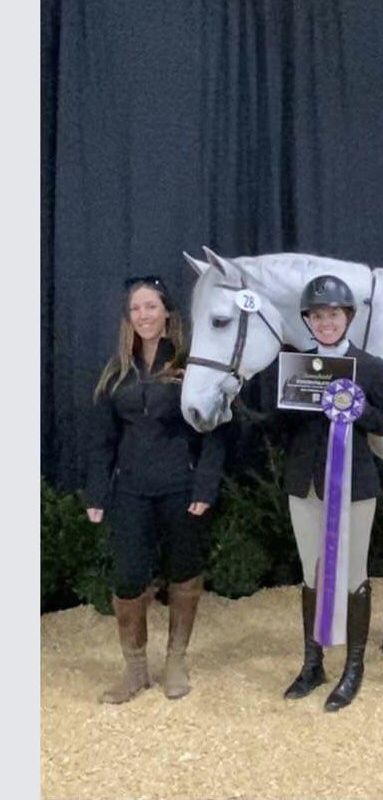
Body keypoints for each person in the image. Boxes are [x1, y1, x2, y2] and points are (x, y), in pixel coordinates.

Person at [85, 275, 229, 704]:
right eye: (136, 309)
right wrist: (96, 492)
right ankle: (135, 670)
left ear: (167, 312)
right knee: (128, 578)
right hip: (129, 490)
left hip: (181, 489)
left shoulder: (191, 366)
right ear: (128, 318)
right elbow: (101, 440)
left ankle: (176, 661)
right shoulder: (116, 372)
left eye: (151, 306)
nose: (144, 315)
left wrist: (205, 483)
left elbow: (214, 434)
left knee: (184, 572)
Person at [279, 274, 383, 712]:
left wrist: (355, 405)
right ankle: (313, 663)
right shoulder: (296, 366)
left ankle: (353, 666)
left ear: (347, 317)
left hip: (354, 486)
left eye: (333, 314)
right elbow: (283, 429)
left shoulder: (369, 368)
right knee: (311, 574)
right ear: (308, 321)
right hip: (304, 484)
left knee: (352, 574)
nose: (325, 322)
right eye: (317, 315)